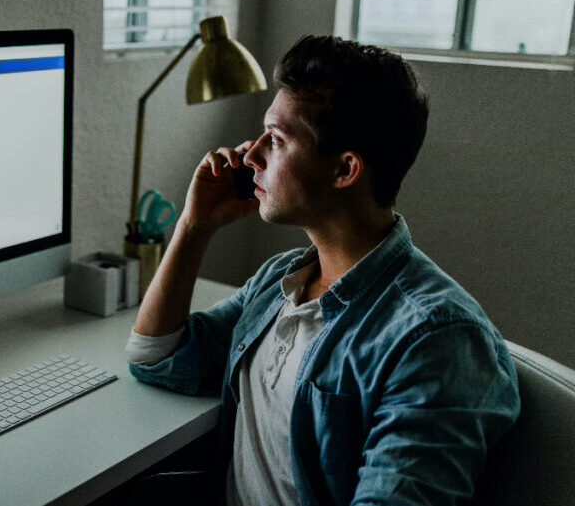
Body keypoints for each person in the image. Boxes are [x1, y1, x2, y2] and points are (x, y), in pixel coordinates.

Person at [125, 35, 520, 506]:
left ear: (345, 169)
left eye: (277, 139)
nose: (250, 155)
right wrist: (194, 227)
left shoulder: (436, 340)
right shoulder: (281, 282)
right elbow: (157, 357)